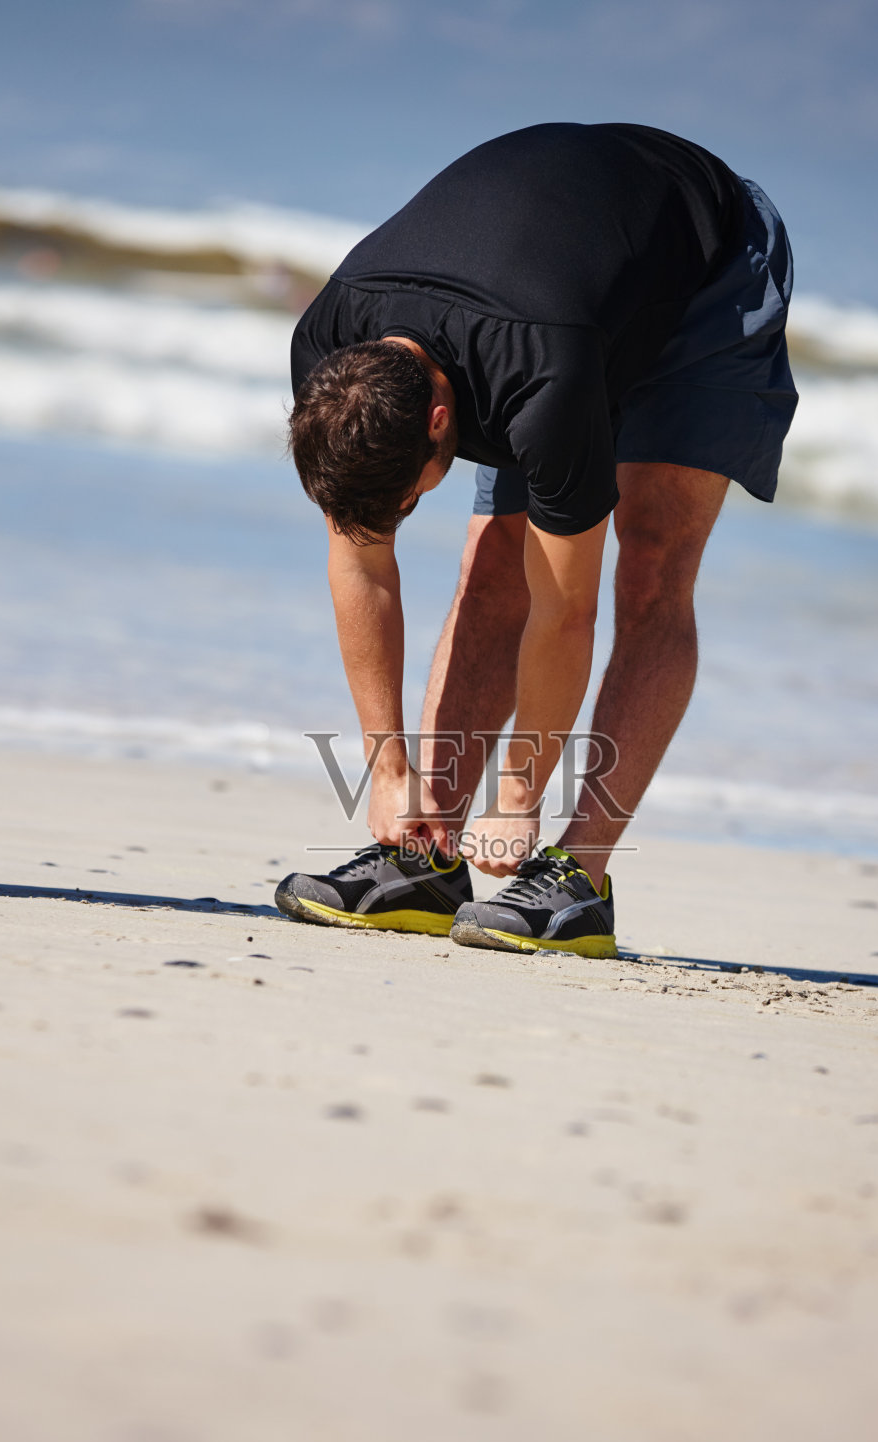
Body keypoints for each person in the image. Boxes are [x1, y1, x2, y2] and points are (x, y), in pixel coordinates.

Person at [276, 122, 797, 958]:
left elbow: (565, 609)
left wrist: (519, 792)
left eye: (406, 502)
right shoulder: (329, 352)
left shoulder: (541, 379)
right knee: (490, 568)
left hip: (708, 265)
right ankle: (423, 855)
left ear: (440, 421)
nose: (396, 518)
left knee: (650, 564)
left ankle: (579, 878)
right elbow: (360, 565)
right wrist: (387, 769)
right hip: (554, 287)